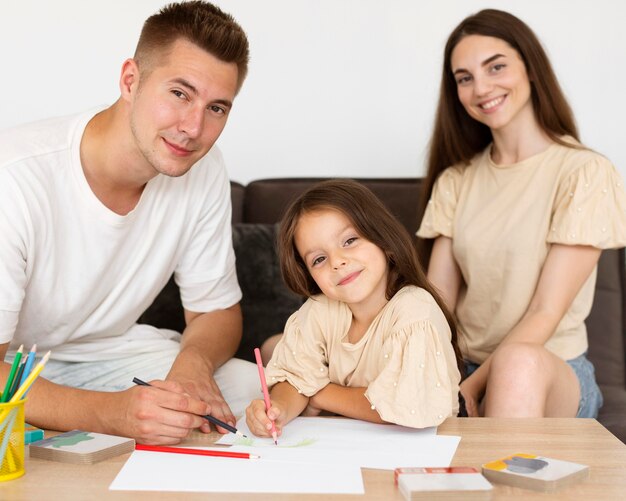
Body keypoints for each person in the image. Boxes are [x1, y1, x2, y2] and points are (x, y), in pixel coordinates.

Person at [0, 1, 260, 444]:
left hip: (112, 354)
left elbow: (215, 311)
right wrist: (110, 414)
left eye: (217, 108)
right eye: (180, 93)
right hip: (12, 365)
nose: (193, 128)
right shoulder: (16, 175)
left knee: (258, 389)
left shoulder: (205, 168)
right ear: (130, 80)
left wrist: (192, 368)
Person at [416, 9, 626, 419]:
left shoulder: (584, 172)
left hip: (550, 369)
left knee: (517, 363)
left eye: (495, 67)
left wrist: (470, 389)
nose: (481, 88)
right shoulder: (456, 181)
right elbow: (437, 302)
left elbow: (545, 311)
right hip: (465, 366)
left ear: (530, 68)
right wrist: (433, 373)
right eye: (465, 78)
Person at [246, 180, 462, 438]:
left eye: (349, 241)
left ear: (384, 240)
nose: (337, 262)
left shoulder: (415, 311)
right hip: (349, 447)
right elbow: (294, 380)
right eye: (319, 259)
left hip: (420, 448)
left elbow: (399, 408)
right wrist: (278, 409)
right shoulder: (319, 311)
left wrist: (319, 394)